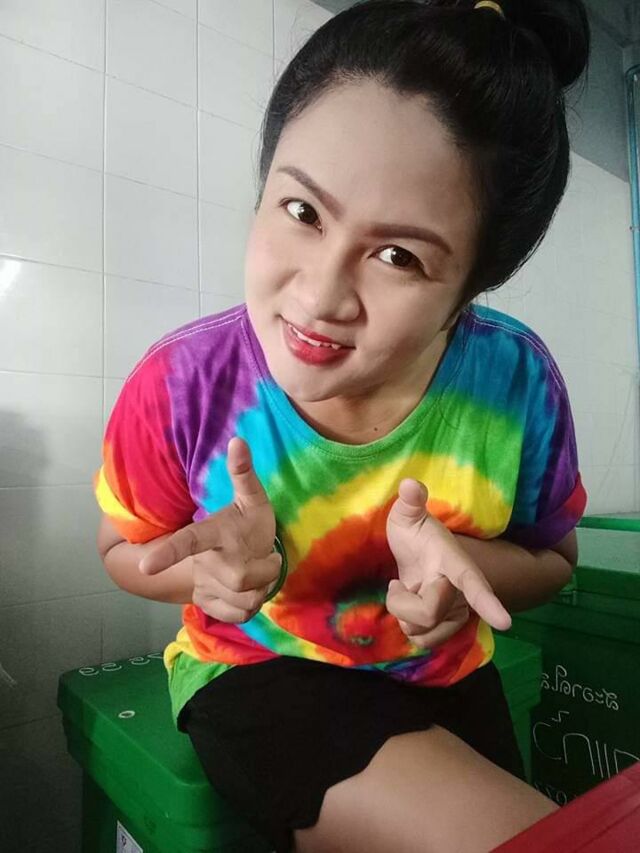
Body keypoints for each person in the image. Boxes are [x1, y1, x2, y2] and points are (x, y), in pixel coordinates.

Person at [95, 0, 591, 850]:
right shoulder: (182, 385)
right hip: (260, 671)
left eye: (399, 256)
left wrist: (468, 567)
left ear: (472, 284)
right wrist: (205, 577)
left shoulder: (514, 386)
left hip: (446, 674)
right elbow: (120, 548)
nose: (320, 295)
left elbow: (555, 560)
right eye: (302, 211)